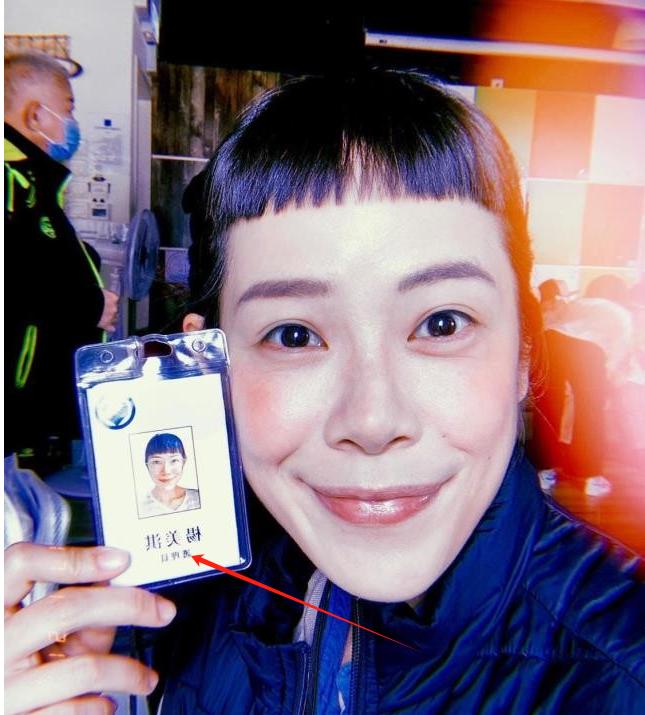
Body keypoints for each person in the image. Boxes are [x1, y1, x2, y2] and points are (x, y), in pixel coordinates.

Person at [5, 70, 644, 715]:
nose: (372, 420)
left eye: (442, 324)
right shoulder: (175, 604)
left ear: (523, 353)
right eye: (294, 336)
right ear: (207, 372)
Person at [4, 51, 119, 473]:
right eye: (68, 109)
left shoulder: (33, 182)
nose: (71, 123)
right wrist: (90, 306)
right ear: (35, 115)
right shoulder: (9, 183)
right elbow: (16, 286)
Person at [138, 433, 200, 518]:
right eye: (156, 462)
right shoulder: (140, 506)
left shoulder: (198, 498)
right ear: (147, 465)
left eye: (174, 460)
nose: (166, 471)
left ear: (184, 462)